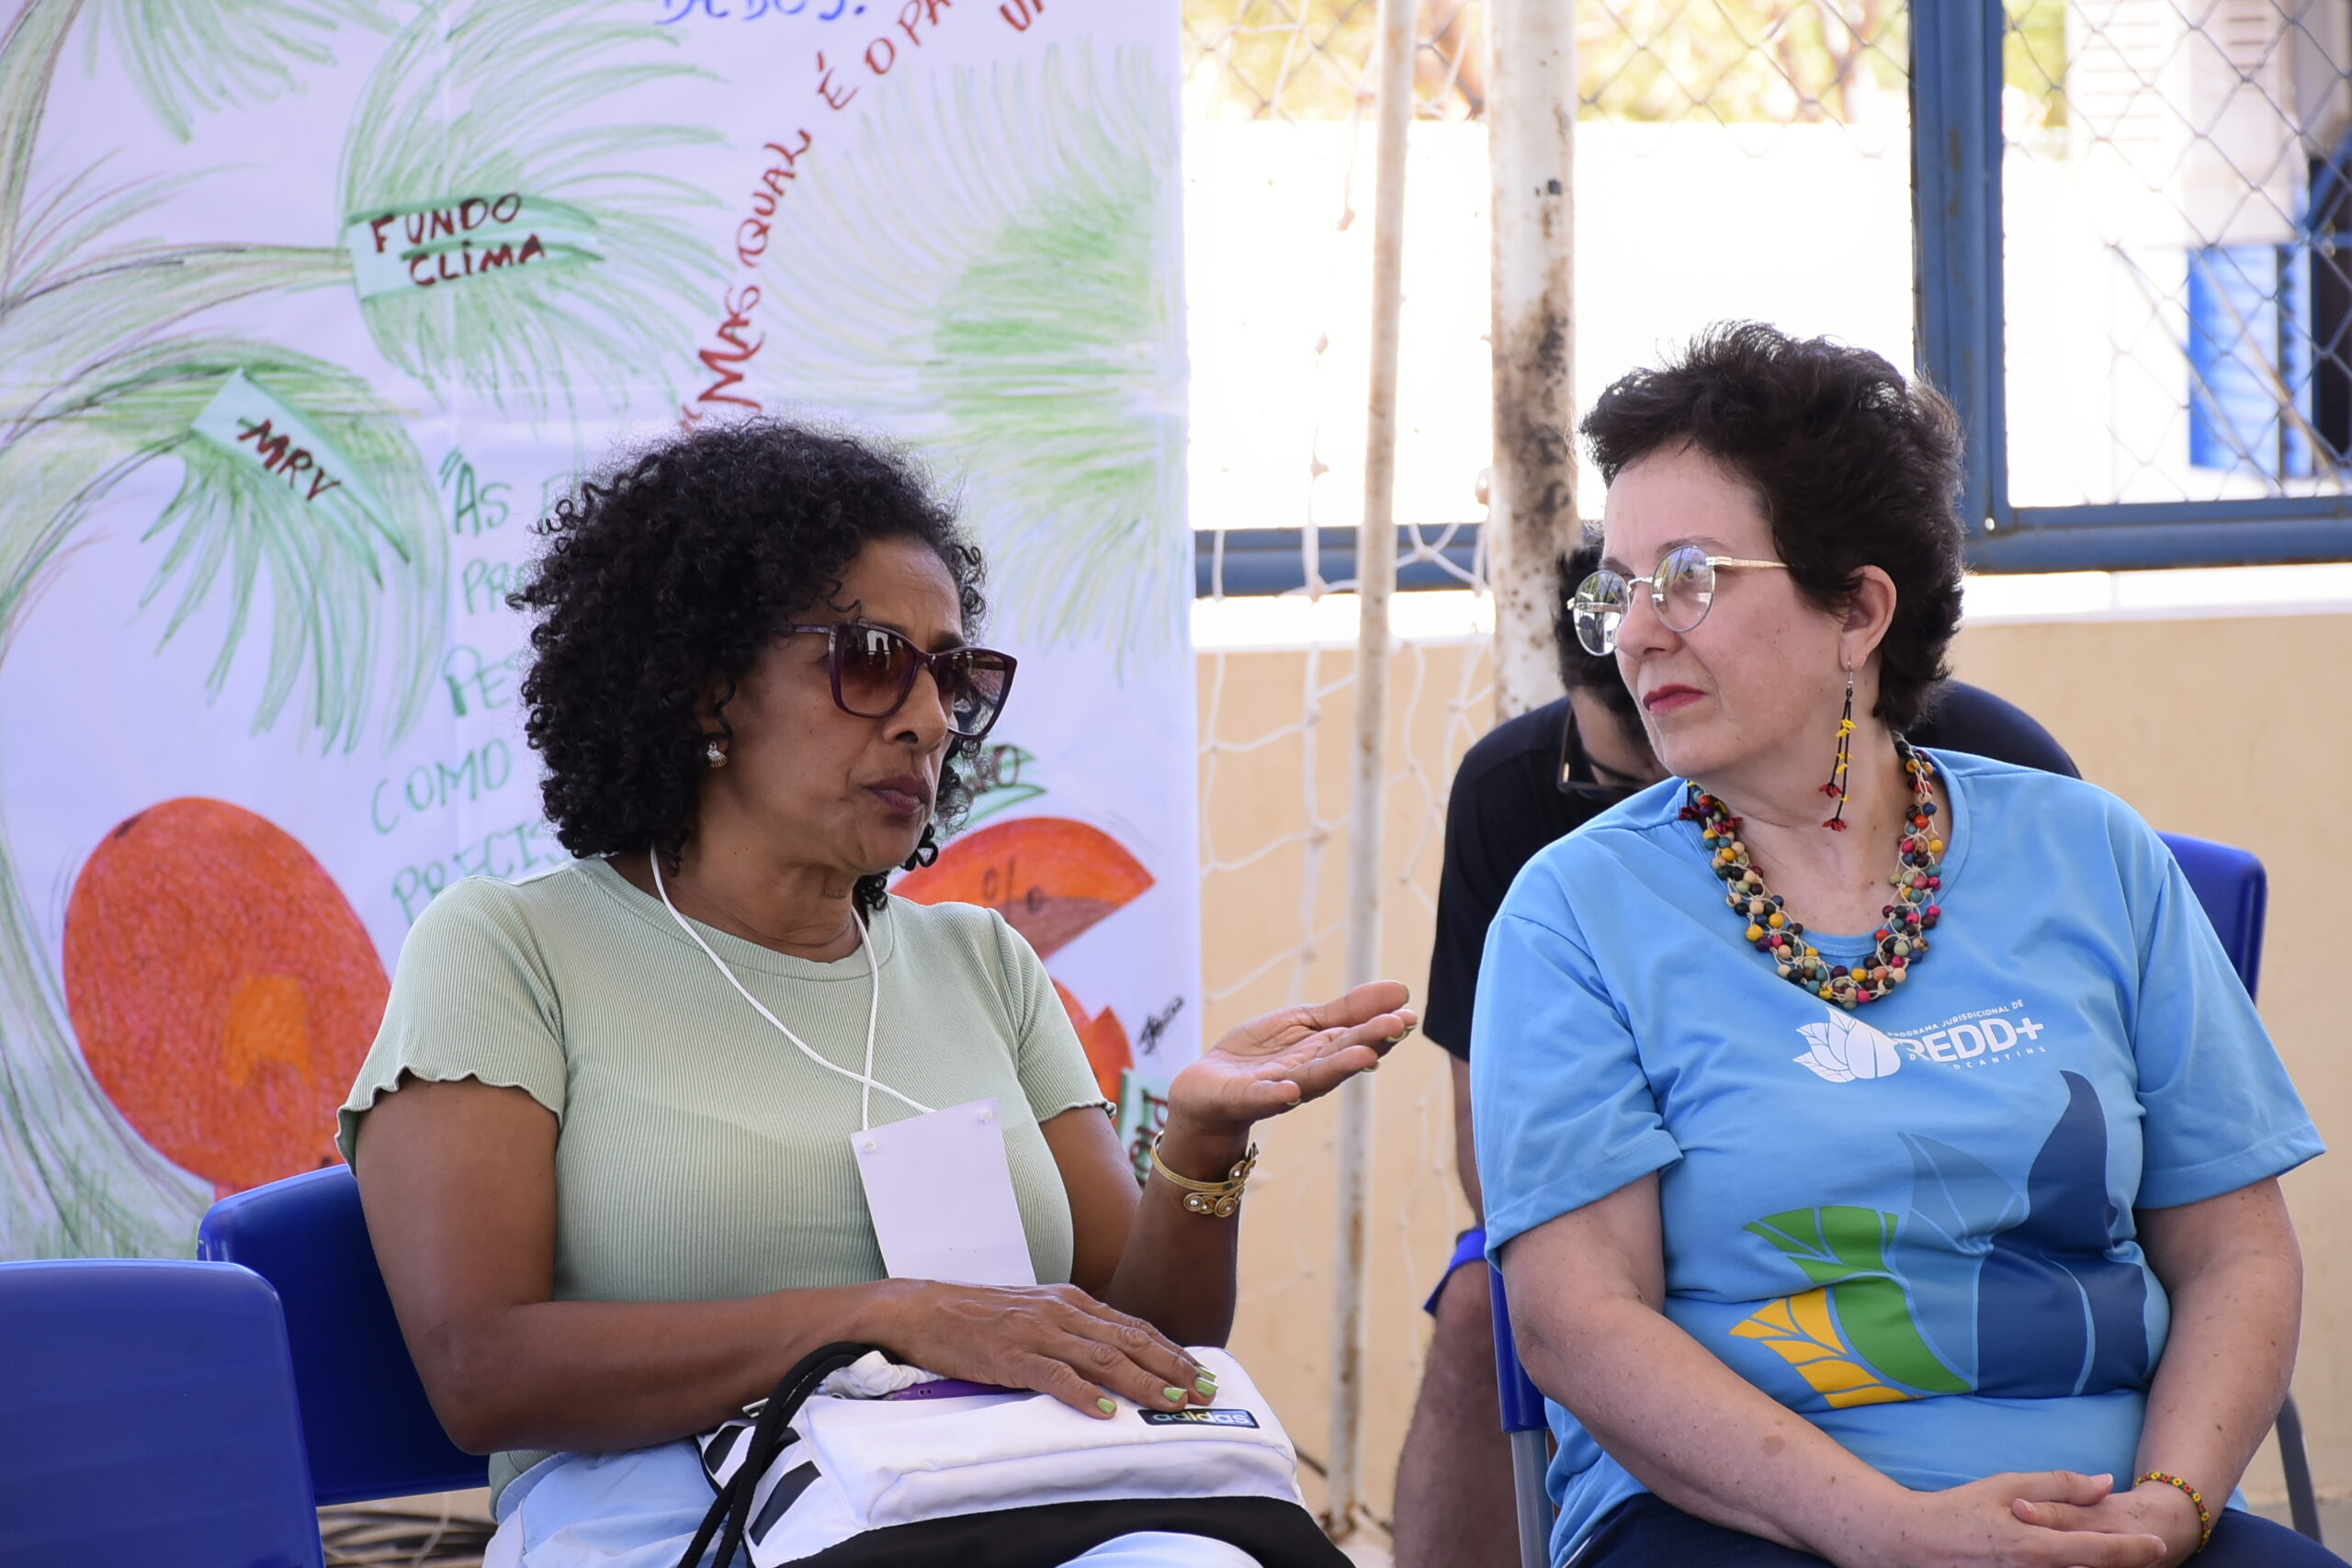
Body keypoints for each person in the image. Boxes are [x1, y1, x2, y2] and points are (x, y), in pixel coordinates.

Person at [339, 420, 1417, 1568]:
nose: (930, 717)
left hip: (995, 1503)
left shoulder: (981, 962)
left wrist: (1197, 1149)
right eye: (869, 659)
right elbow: (482, 1373)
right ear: (705, 689)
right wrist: (882, 1318)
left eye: (952, 674)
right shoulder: (512, 949)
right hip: (667, 1518)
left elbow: (1143, 1348)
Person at [1471, 323, 2334, 1568]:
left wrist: (2168, 1506)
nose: (1638, 633)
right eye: (1620, 588)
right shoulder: (1574, 914)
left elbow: (2235, 1250)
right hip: (1738, 1523)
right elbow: (1577, 1320)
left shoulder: (2090, 851)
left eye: (1691, 577)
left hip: (2108, 1513)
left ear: (1858, 610)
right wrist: (1892, 1532)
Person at [1391, 544, 2080, 1568]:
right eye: (1615, 783)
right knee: (1480, 1303)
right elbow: (1493, 1164)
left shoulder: (2010, 783)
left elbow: (2146, 1148)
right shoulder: (1528, 822)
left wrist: (2173, 1491)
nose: (1671, 808)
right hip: (1645, 1238)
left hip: (1974, 1259)